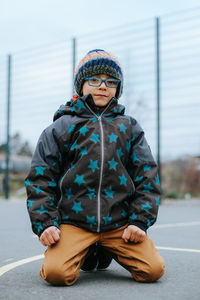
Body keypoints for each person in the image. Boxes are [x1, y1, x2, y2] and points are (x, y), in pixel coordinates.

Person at [25, 49, 165, 286]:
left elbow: (147, 176)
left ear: (117, 89)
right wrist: (45, 223)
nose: (103, 86)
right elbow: (40, 179)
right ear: (81, 85)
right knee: (57, 274)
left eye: (111, 82)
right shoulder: (60, 127)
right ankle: (88, 249)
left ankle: (105, 248)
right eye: (94, 80)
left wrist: (139, 220)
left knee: (153, 271)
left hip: (119, 224)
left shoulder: (129, 127)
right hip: (75, 222)